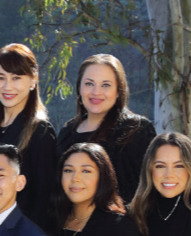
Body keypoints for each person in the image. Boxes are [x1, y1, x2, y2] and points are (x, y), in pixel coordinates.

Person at [0, 44, 57, 231]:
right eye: (1, 77)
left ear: (33, 80)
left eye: (16, 78)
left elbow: (43, 202)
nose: (7, 86)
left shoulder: (40, 131)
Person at [55, 54, 156, 204]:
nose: (96, 92)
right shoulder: (67, 132)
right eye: (89, 84)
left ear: (118, 91)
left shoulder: (136, 130)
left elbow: (149, 191)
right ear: (79, 88)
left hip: (121, 224)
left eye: (106, 85)